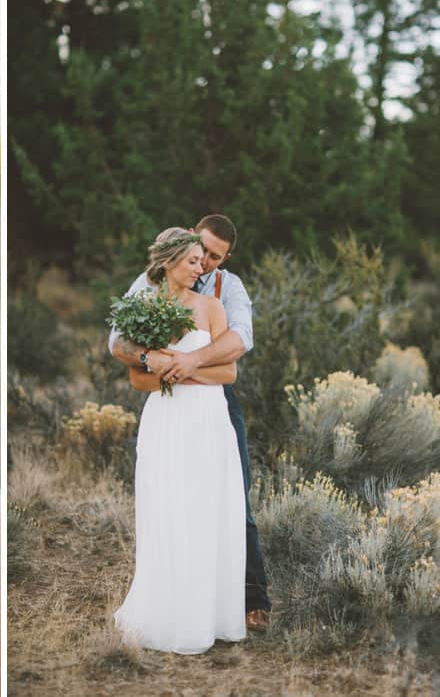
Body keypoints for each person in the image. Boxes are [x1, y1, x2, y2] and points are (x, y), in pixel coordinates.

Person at [109, 215, 271, 633]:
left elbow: (240, 342)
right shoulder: (147, 289)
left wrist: (189, 364)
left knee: (232, 498)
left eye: (214, 258)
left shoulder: (224, 291)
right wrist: (153, 361)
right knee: (169, 501)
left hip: (213, 399)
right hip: (166, 405)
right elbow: (119, 343)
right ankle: (175, 596)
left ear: (225, 257)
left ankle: (251, 598)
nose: (205, 264)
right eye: (200, 253)